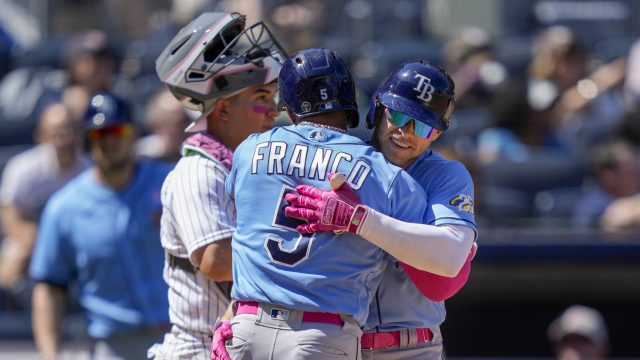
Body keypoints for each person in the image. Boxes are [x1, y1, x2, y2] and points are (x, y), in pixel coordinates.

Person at [222, 48, 430, 360]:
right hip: (322, 334)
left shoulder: (249, 149)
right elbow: (428, 256)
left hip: (246, 327)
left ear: (289, 106)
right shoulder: (385, 173)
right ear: (350, 97)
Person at [285, 60, 478, 359]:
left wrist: (359, 219)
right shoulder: (341, 160)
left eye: (424, 125)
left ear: (437, 134)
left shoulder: (447, 176)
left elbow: (449, 262)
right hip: (338, 343)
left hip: (413, 346)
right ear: (377, 109)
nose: (407, 132)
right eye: (399, 115)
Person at [147, 11, 286, 359]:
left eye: (271, 96)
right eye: (260, 97)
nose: (273, 110)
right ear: (222, 110)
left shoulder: (247, 166)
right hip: (200, 348)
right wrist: (299, 244)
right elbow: (217, 260)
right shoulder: (199, 171)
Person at [29, 92, 172, 360]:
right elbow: (50, 286)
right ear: (86, 141)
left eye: (118, 129)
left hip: (183, 334)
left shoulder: (170, 183)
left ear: (134, 133)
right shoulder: (64, 207)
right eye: (99, 133)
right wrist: (49, 353)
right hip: (115, 345)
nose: (110, 139)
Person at [0, 102, 89, 307]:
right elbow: (12, 223)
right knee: (16, 252)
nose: (65, 139)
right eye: (58, 133)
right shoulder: (22, 169)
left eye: (70, 131)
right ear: (41, 136)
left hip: (80, 243)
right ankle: (7, 316)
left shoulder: (90, 168)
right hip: (34, 244)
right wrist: (48, 242)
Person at [572, 138, 640, 229]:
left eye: (636, 169)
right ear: (608, 176)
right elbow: (611, 224)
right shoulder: (592, 208)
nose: (637, 176)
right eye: (630, 173)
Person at [134, 88, 191, 163]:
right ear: (155, 126)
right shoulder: (139, 157)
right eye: (176, 121)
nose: (187, 127)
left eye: (187, 121)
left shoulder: (201, 154)